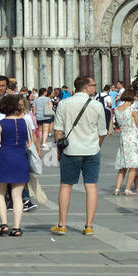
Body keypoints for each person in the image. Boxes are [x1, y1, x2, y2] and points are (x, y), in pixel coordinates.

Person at [51, 74, 109, 235]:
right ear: (86, 87)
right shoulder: (97, 105)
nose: (95, 87)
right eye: (93, 85)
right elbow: (102, 132)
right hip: (91, 150)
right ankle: (89, 226)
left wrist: (59, 150)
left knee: (65, 186)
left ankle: (62, 224)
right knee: (91, 186)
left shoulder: (64, 103)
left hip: (70, 151)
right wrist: (96, 146)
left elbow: (58, 131)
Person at [0, 94, 35, 236]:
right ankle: (17, 228)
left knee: (0, 193)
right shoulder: (25, 122)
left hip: (4, 158)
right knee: (17, 196)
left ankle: (3, 225)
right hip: (20, 158)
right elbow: (29, 142)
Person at [112, 90, 138, 196]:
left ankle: (117, 189)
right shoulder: (132, 110)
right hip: (133, 138)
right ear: (132, 98)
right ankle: (127, 189)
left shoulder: (117, 110)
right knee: (133, 165)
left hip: (123, 137)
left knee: (122, 165)